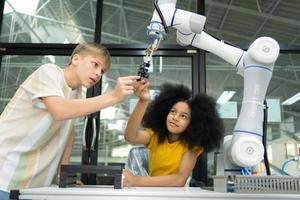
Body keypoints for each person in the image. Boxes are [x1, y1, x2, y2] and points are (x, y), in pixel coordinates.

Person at [0, 42, 140, 199]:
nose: (98, 73)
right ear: (76, 59)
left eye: (102, 71)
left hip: (35, 185)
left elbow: (69, 132)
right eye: (95, 64)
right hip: (5, 172)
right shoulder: (49, 72)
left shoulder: (78, 93)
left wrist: (62, 172)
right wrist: (114, 97)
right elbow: (59, 111)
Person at [123, 81, 224, 187]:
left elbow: (179, 180)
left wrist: (135, 180)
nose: (175, 117)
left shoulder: (192, 147)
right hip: (153, 190)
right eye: (173, 111)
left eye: (183, 116)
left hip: (177, 194)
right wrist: (143, 101)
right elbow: (130, 136)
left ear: (192, 124)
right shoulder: (155, 136)